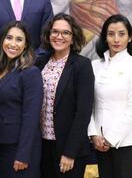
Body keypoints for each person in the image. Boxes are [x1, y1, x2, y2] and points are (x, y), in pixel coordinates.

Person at [88, 14, 132, 178]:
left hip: (127, 142)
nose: (116, 39)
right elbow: (88, 105)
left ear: (130, 38)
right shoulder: (94, 66)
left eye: (122, 34)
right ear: (104, 37)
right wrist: (93, 135)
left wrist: (111, 138)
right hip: (100, 143)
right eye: (111, 34)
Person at [35, 13, 94, 177]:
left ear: (73, 37)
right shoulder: (40, 63)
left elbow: (83, 112)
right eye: (55, 32)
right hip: (42, 145)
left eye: (65, 33)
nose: (59, 36)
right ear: (49, 34)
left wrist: (70, 152)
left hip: (67, 147)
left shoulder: (82, 66)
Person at [0, 21, 43, 177]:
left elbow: (31, 116)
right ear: (2, 40)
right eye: (9, 37)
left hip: (18, 149)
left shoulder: (31, 73)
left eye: (19, 39)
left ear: (25, 45)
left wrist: (23, 155)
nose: (13, 43)